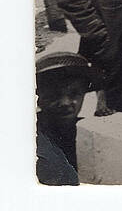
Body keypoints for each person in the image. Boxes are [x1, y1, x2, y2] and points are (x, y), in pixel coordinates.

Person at [36, 52, 101, 185]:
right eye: (54, 95)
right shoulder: (31, 137)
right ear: (38, 97)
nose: (65, 103)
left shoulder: (87, 131)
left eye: (74, 94)